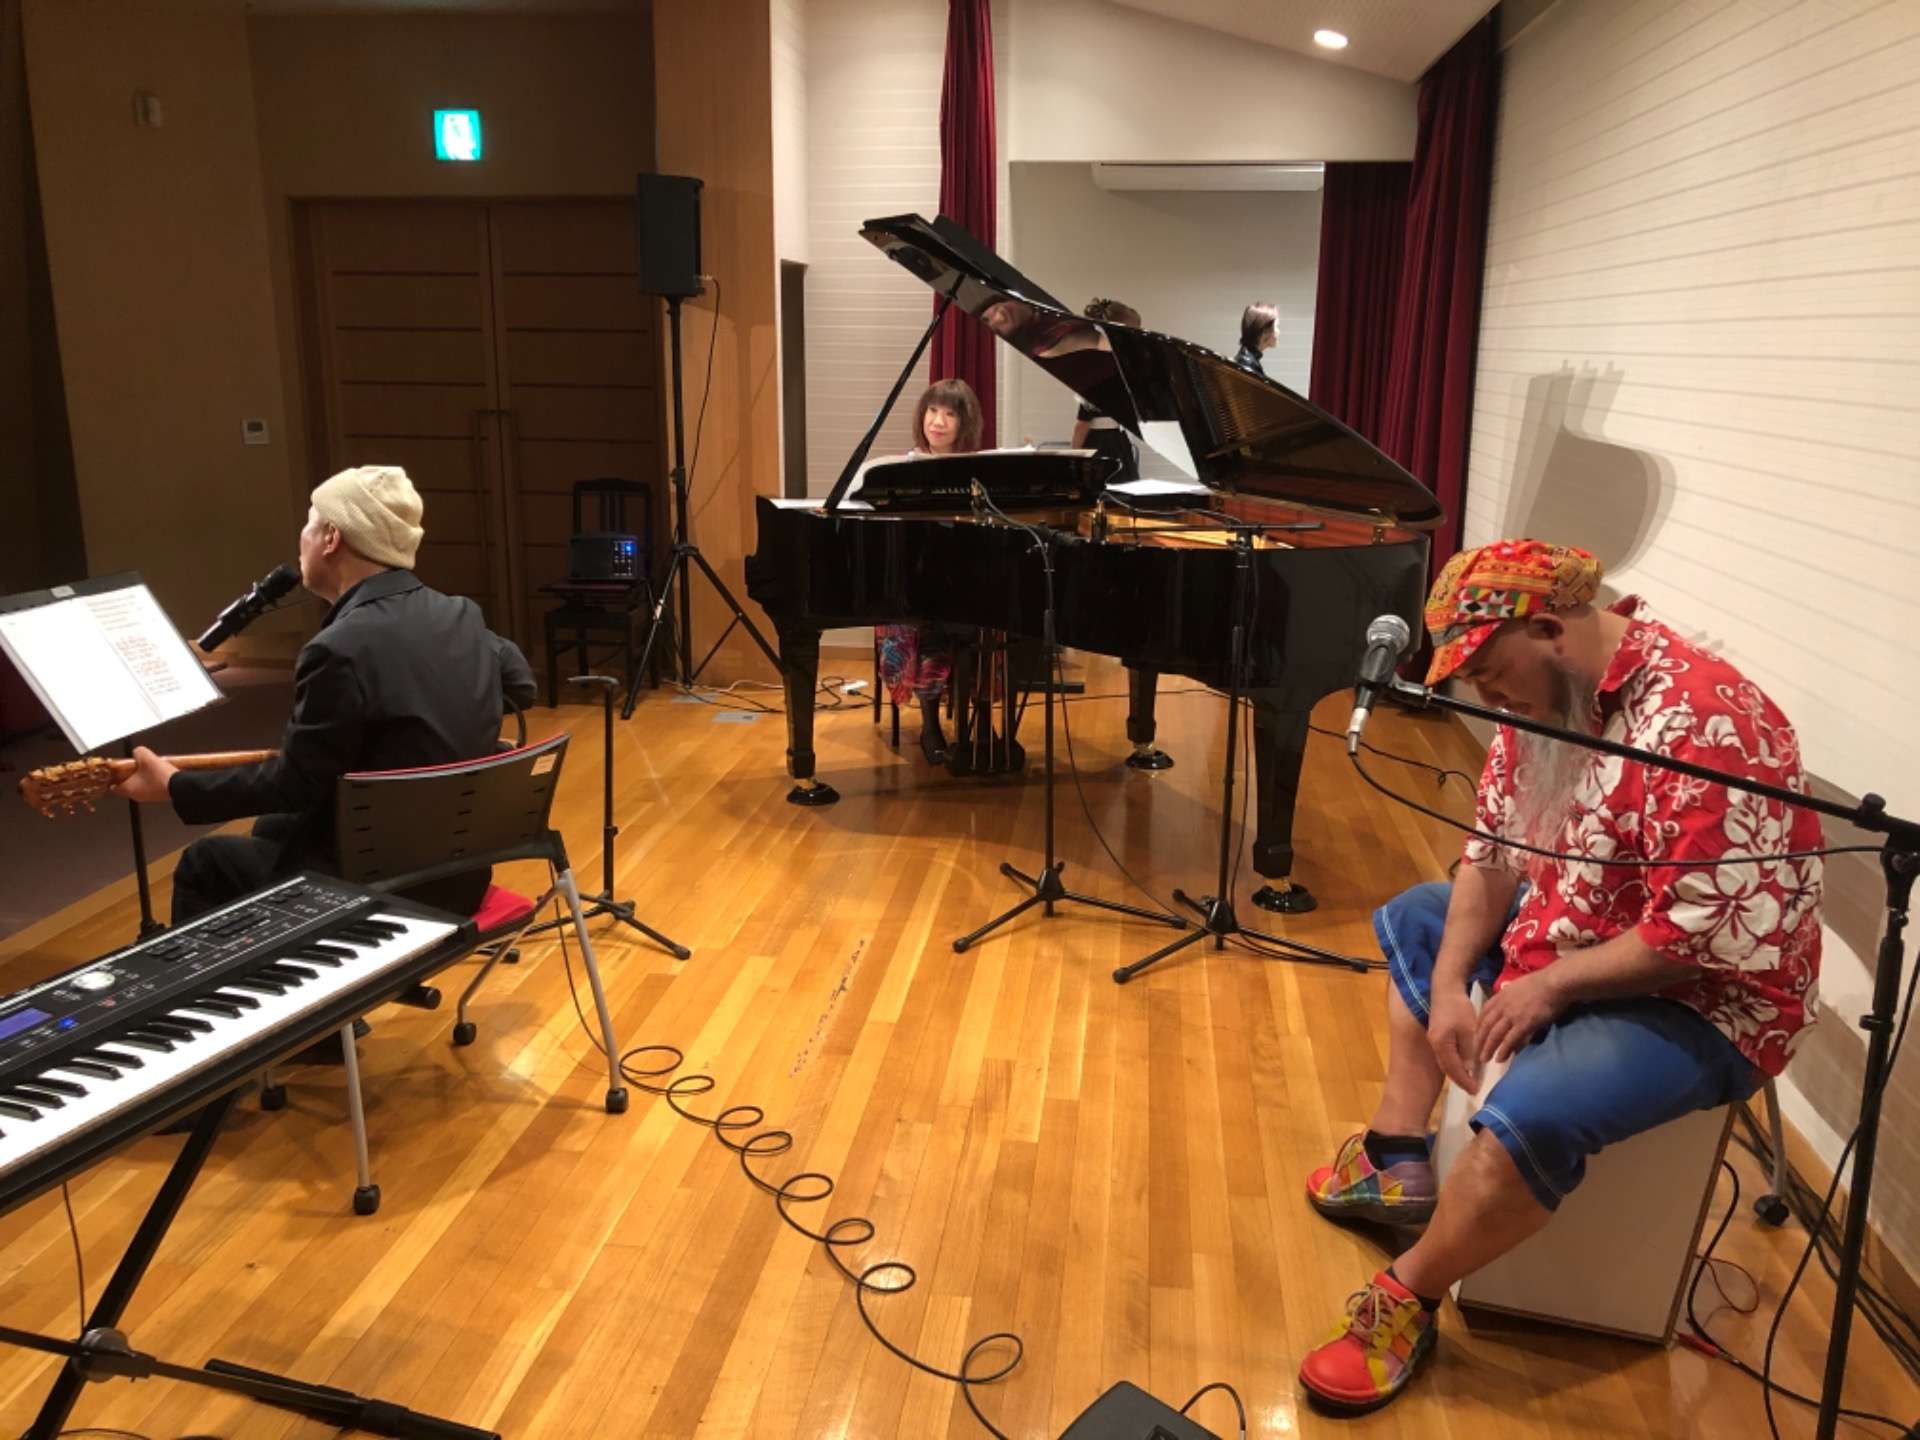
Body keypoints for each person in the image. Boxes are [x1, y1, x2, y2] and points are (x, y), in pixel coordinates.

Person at [1296, 538, 1823, 1414]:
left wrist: (1548, 986)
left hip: (1703, 996)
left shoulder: (1706, 719)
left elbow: (1705, 930)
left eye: (1490, 674)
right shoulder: (1545, 700)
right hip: (1578, 934)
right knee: (1425, 919)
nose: (1486, 698)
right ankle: (1396, 1157)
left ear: (1548, 626)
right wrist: (1452, 987)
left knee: (1535, 1112)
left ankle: (1408, 1295)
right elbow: (1491, 856)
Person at [116, 465, 537, 925]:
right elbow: (521, 685)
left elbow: (293, 785)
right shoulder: (461, 614)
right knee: (273, 827)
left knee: (206, 863)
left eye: (309, 522)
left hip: (377, 883)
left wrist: (173, 787)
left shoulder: (338, 649)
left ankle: (240, 972)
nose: (302, 536)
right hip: (457, 874)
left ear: (332, 537)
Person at [875, 378, 984, 765]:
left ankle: (979, 720)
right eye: (932, 411)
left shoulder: (978, 473)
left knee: (989, 620)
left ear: (964, 422)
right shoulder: (903, 469)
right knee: (930, 624)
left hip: (963, 581)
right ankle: (930, 724)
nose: (937, 421)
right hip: (913, 583)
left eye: (949, 414)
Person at [1069, 297, 1142, 483]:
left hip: (1114, 441)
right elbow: (1083, 423)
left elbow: (1082, 424)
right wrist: (1072, 459)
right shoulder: (1103, 370)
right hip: (1105, 445)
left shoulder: (1110, 367)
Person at [1235, 302, 1278, 374]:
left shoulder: (1248, 361)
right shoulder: (1248, 366)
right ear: (1264, 331)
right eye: (1276, 326)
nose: (1278, 331)